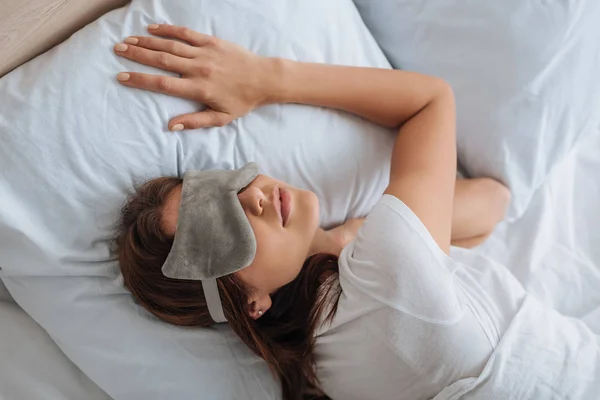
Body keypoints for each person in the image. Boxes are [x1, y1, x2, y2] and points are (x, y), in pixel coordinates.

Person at [113, 25, 525, 400]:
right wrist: (267, 79)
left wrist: (356, 233)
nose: (252, 196)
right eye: (219, 229)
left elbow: (484, 218)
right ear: (250, 303)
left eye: (226, 187)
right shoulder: (387, 266)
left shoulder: (323, 370)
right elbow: (440, 115)